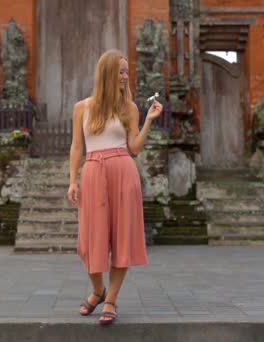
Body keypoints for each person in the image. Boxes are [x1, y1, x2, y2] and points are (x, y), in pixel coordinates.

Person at [67, 49, 163, 325]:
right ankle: (98, 290)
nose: (125, 76)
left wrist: (147, 121)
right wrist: (72, 179)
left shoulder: (129, 108)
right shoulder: (82, 108)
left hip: (123, 171)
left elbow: (133, 147)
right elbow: (77, 146)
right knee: (88, 242)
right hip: (94, 171)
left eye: (126, 72)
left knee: (122, 238)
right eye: (121, 71)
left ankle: (111, 300)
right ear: (107, 73)